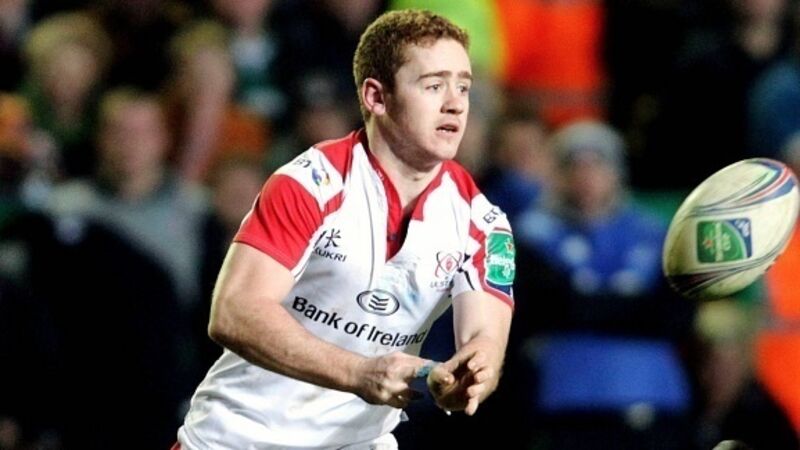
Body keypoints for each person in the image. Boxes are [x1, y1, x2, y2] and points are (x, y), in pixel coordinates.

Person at [175, 9, 515, 449]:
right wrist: (358, 373)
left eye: (463, 86)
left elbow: (485, 338)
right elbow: (234, 312)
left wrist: (471, 376)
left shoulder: (483, 222)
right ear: (376, 97)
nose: (455, 103)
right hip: (238, 437)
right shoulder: (310, 184)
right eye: (433, 85)